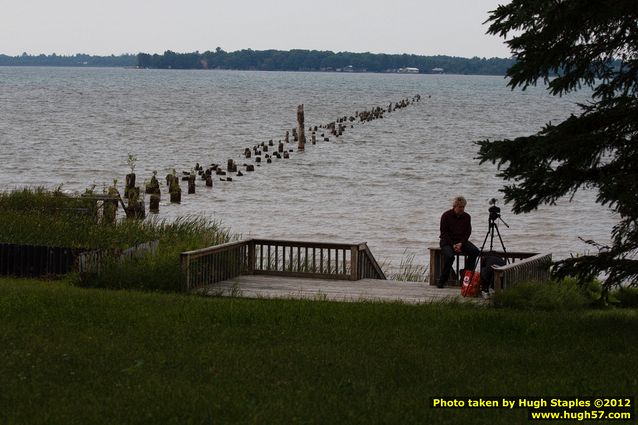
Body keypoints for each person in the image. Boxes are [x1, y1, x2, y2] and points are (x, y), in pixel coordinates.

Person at [437, 196, 480, 288]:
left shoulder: (467, 217)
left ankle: (465, 275)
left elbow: (468, 232)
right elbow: (444, 233)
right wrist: (453, 245)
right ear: (454, 206)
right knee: (450, 256)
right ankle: (442, 280)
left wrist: (461, 243)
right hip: (447, 241)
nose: (462, 209)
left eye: (463, 207)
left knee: (475, 251)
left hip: (461, 241)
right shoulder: (446, 215)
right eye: (460, 207)